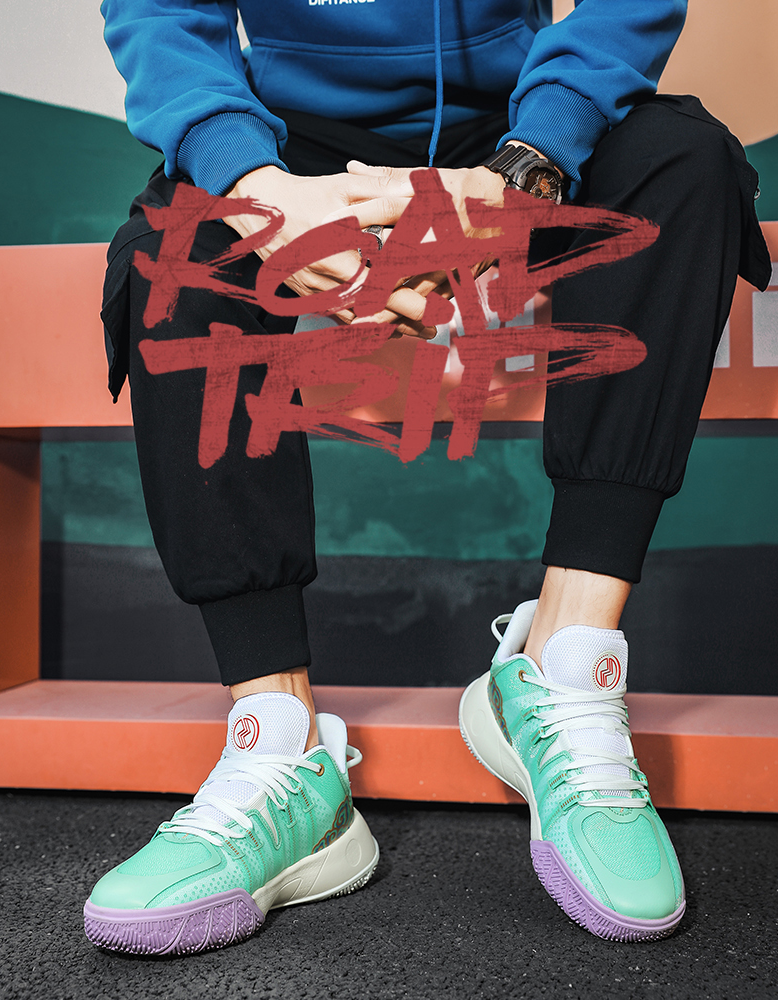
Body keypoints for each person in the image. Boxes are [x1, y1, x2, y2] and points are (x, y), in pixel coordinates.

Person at [84, 0, 770, 954]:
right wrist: (256, 185)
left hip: (512, 126)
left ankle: (564, 666)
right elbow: (161, 11)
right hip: (288, 150)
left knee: (682, 160)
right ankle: (281, 749)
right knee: (174, 252)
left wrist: (524, 171)